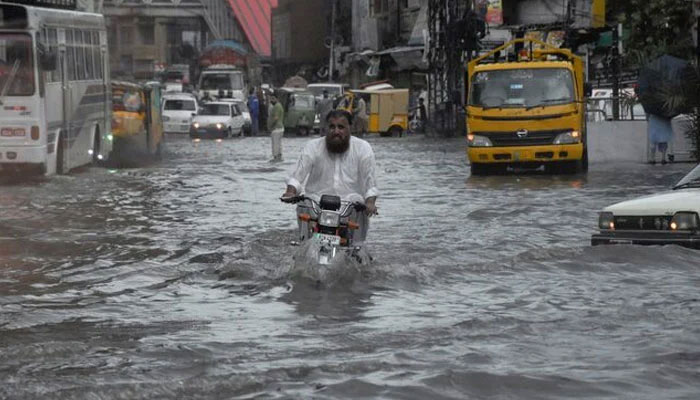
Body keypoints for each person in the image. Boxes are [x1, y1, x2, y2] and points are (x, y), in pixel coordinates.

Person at [281, 110, 379, 243]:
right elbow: (298, 174)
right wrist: (290, 192)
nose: (336, 131)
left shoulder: (363, 148)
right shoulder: (313, 146)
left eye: (341, 127)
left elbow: (370, 183)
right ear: (326, 128)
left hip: (350, 207)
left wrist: (370, 202)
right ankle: (303, 246)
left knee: (360, 208)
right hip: (317, 206)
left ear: (350, 128)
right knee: (303, 203)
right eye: (332, 127)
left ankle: (357, 250)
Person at [268, 95, 285, 162]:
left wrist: (270, 125)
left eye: (273, 98)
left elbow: (276, 117)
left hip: (276, 128)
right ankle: (279, 156)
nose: (271, 100)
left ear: (277, 99)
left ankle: (275, 157)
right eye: (271, 98)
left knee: (275, 144)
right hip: (279, 128)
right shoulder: (279, 106)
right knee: (278, 143)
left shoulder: (277, 106)